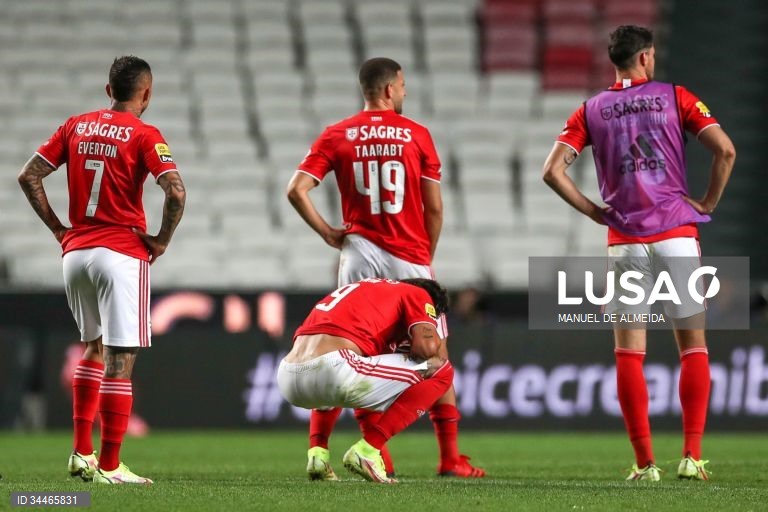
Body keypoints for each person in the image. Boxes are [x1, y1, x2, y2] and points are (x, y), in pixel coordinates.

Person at [542, 26, 735, 481]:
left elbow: (552, 172)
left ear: (616, 61)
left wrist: (594, 211)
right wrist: (707, 203)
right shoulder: (676, 96)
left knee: (629, 355)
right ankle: (690, 457)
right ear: (646, 57)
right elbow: (725, 150)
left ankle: (645, 464)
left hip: (625, 241)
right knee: (694, 348)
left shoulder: (590, 109)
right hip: (676, 236)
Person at [286, 57, 484, 479]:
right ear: (392, 89)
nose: (405, 92)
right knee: (438, 353)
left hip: (358, 249)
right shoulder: (417, 135)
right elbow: (433, 206)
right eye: (404, 86)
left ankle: (347, 450)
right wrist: (423, 258)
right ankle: (449, 457)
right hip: (409, 250)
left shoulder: (337, 134)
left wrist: (328, 232)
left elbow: (296, 190)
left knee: (352, 344)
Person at [18, 56, 186, 485]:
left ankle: (81, 454)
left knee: (91, 348)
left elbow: (29, 176)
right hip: (120, 252)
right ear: (146, 93)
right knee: (121, 357)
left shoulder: (76, 125)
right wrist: (162, 240)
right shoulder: (145, 133)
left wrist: (59, 228)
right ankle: (110, 466)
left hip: (75, 253)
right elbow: (176, 193)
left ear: (108, 90)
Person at [277, 277, 455, 484]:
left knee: (339, 377)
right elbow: (428, 349)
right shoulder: (418, 294)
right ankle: (368, 450)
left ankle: (318, 455)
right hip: (334, 367)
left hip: (287, 376)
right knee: (441, 369)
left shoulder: (367, 289)